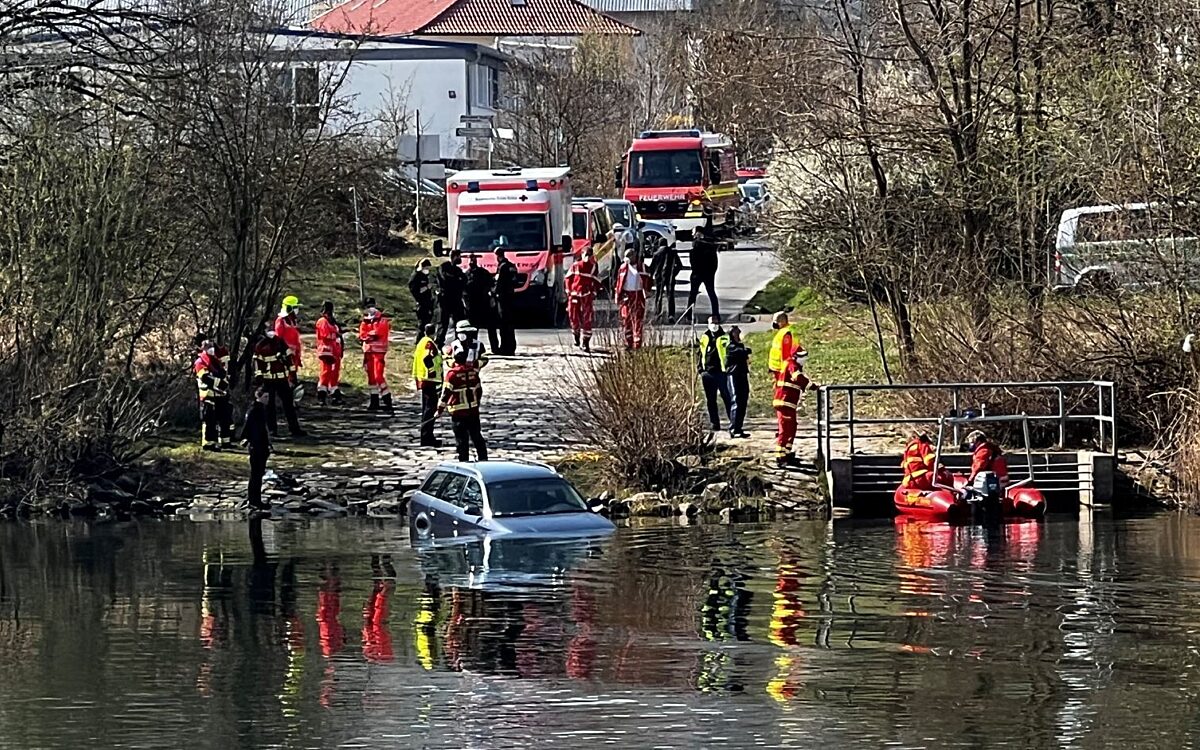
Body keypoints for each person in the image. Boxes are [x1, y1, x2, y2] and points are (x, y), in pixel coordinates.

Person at [252, 327, 305, 437]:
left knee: (289, 405)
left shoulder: (280, 343)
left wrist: (292, 376)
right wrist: (259, 378)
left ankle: (294, 429)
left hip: (282, 380)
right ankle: (272, 430)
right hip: (268, 381)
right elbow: (258, 364)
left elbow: (289, 360)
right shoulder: (260, 346)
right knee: (269, 406)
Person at [438, 349, 488, 462]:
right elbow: (479, 390)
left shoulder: (452, 375)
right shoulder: (473, 372)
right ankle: (483, 459)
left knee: (461, 440)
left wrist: (440, 409)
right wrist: (476, 404)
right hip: (473, 411)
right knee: (477, 437)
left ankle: (464, 461)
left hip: (458, 412)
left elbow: (446, 393)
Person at [773, 348, 817, 467]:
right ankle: (780, 457)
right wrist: (811, 386)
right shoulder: (792, 365)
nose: (804, 361)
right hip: (785, 401)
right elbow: (798, 377)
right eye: (803, 358)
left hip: (788, 403)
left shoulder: (789, 363)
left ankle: (787, 454)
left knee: (791, 428)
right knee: (786, 429)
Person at [194, 339, 234, 450]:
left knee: (224, 418)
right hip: (208, 394)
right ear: (203, 349)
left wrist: (225, 383)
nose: (211, 349)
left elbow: (223, 373)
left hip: (220, 395)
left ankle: (225, 441)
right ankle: (208, 444)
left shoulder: (216, 360)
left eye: (212, 346)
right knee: (209, 420)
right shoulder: (200, 362)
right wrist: (221, 384)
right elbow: (205, 378)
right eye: (208, 347)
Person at [240, 384, 272, 511]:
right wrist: (245, 438)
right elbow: (247, 428)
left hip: (262, 445)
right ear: (259, 397)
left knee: (258, 475)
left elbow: (263, 430)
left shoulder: (261, 410)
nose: (267, 399)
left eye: (268, 396)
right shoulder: (254, 410)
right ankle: (254, 501)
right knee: (255, 475)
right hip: (256, 446)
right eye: (265, 396)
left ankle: (256, 500)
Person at [358, 300, 394, 414]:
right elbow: (362, 335)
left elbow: (378, 333)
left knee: (378, 376)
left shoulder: (383, 320)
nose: (370, 309)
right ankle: (374, 402)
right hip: (368, 352)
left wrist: (369, 336)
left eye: (371, 306)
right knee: (371, 378)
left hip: (378, 352)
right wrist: (370, 335)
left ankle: (387, 400)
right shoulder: (365, 321)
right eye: (368, 307)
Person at [697, 316, 732, 432]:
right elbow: (700, 353)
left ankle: (733, 421)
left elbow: (730, 352)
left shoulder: (725, 337)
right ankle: (715, 423)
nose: (714, 324)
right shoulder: (704, 337)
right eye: (712, 322)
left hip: (722, 372)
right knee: (711, 400)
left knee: (727, 397)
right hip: (708, 373)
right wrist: (700, 369)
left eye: (716, 322)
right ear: (708, 324)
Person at [412, 323, 443, 448]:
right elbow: (427, 359)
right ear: (433, 332)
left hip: (424, 379)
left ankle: (427, 436)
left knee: (427, 408)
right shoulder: (429, 343)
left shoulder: (422, 342)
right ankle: (427, 437)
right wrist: (432, 371)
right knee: (430, 410)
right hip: (429, 380)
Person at [615, 249, 653, 350]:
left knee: (637, 319)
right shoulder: (623, 268)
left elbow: (648, 280)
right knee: (626, 319)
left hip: (638, 294)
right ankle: (628, 342)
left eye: (629, 257)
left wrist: (647, 290)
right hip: (627, 295)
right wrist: (618, 296)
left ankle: (637, 344)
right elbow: (619, 282)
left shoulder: (642, 267)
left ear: (634, 256)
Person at [565, 245, 600, 351]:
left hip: (586, 295)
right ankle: (576, 335)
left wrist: (594, 292)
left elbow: (596, 281)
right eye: (586, 254)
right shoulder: (575, 266)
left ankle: (585, 342)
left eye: (589, 255)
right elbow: (568, 278)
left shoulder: (593, 267)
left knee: (587, 318)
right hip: (574, 295)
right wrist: (569, 291)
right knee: (573, 316)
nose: (587, 257)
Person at [464, 254, 500, 354]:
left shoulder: (483, 273)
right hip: (472, 306)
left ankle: (495, 348)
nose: (472, 262)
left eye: (473, 259)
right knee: (473, 330)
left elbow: (492, 284)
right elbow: (464, 290)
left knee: (491, 328)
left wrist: (491, 297)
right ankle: (473, 348)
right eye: (470, 260)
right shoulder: (466, 274)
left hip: (485, 304)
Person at [687, 223, 721, 322]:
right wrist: (712, 272)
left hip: (697, 274)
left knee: (692, 295)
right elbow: (715, 262)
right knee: (711, 293)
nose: (693, 235)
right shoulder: (710, 246)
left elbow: (692, 261)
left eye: (694, 233)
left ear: (698, 233)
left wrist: (695, 271)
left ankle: (689, 315)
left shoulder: (696, 247)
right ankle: (716, 314)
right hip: (708, 274)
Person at [314, 300, 345, 407]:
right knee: (325, 373)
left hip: (335, 351)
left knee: (334, 374)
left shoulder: (332, 321)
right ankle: (321, 396)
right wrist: (336, 334)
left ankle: (335, 394)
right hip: (326, 351)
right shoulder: (322, 321)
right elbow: (326, 335)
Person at [435, 250, 467, 346]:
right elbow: (446, 279)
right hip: (445, 299)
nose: (460, 259)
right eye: (458, 256)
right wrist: (456, 280)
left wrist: (457, 281)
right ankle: (439, 343)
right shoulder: (444, 267)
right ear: (454, 257)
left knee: (460, 321)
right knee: (443, 322)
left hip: (456, 299)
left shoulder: (458, 270)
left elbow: (464, 281)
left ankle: (460, 341)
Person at [726, 326, 752, 438]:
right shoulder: (730, 346)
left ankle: (739, 427)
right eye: (737, 332)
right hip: (733, 375)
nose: (739, 334)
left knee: (743, 401)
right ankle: (733, 428)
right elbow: (741, 352)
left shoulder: (739, 346)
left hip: (742, 374)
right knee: (736, 400)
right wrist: (745, 351)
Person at [648, 238, 682, 322]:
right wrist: (674, 273)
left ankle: (658, 313)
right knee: (670, 296)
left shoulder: (656, 254)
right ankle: (671, 315)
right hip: (670, 276)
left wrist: (650, 277)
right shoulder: (673, 253)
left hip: (659, 277)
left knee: (658, 295)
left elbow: (652, 268)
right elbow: (680, 265)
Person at [494, 246, 519, 356]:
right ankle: (511, 347)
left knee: (503, 324)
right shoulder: (511, 266)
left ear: (497, 256)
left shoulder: (502, 267)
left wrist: (493, 292)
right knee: (510, 324)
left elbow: (498, 283)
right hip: (511, 297)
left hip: (503, 298)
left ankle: (505, 347)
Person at [274, 295, 303, 378]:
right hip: (285, 354)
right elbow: (278, 338)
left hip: (294, 355)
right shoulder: (281, 321)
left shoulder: (293, 321)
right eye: (295, 307)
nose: (297, 309)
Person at [768, 311, 801, 383]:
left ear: (783, 321)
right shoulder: (781, 331)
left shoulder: (786, 333)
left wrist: (786, 368)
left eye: (777, 321)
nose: (775, 324)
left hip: (781, 367)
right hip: (776, 367)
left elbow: (786, 353)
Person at [408, 258, 436, 340]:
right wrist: (427, 287)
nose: (427, 270)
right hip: (421, 304)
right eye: (426, 268)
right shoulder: (416, 277)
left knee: (428, 322)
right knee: (422, 324)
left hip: (428, 302)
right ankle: (418, 340)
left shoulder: (425, 276)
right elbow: (416, 290)